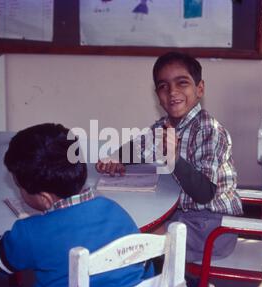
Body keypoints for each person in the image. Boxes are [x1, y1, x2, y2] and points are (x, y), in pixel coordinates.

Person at [0, 123, 151, 287]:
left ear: (44, 198)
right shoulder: (114, 209)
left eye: (19, 187)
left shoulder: (31, 232)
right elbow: (142, 265)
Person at [96, 51, 243, 263]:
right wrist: (115, 158)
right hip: (183, 217)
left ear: (199, 89)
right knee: (132, 228)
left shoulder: (210, 130)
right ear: (158, 95)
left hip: (212, 227)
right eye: (163, 86)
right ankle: (172, 285)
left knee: (136, 242)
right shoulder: (164, 126)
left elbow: (204, 193)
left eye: (182, 83)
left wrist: (174, 159)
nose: (172, 92)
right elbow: (137, 147)